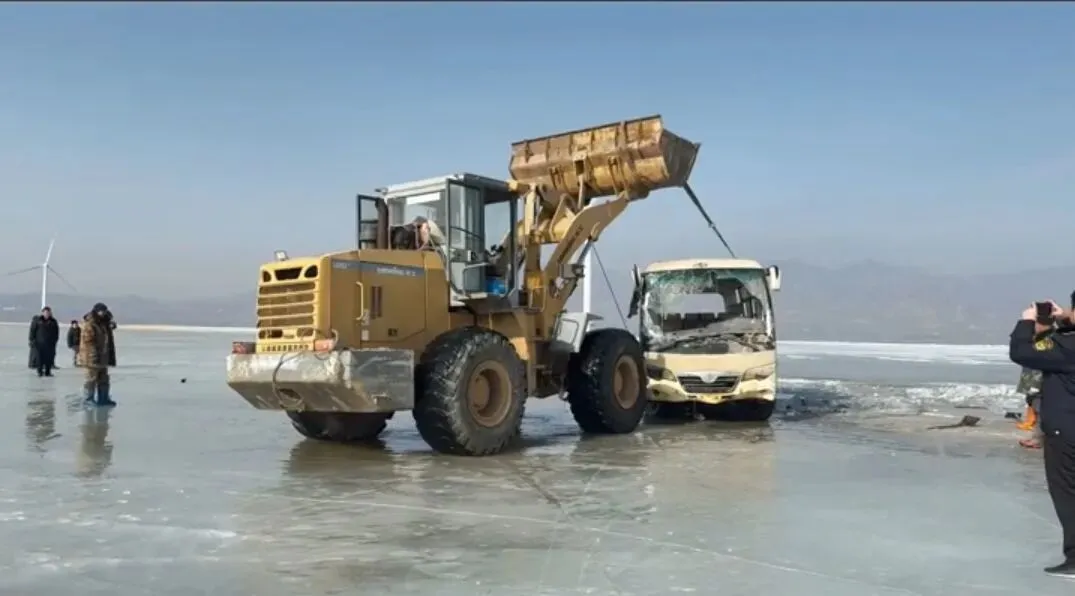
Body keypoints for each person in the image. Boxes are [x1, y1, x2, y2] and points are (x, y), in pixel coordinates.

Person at [1009, 300, 1075, 577]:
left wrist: (1027, 322)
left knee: (1068, 494)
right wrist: (1063, 321)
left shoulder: (1067, 347)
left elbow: (1023, 352)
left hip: (1066, 431)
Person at [78, 302, 117, 407]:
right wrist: (93, 356)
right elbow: (88, 342)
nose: (102, 313)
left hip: (103, 356)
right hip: (91, 357)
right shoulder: (90, 324)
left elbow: (107, 337)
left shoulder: (104, 323)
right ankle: (88, 399)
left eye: (104, 311)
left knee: (104, 379)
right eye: (100, 311)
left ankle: (103, 398)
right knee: (91, 379)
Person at [28, 306, 60, 377]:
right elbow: (32, 331)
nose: (47, 314)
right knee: (39, 358)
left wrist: (54, 341)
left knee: (49, 358)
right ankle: (39, 371)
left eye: (48, 312)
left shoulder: (53, 321)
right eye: (45, 312)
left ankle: (48, 372)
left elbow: (56, 332)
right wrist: (32, 340)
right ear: (43, 313)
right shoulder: (38, 321)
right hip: (39, 343)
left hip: (50, 344)